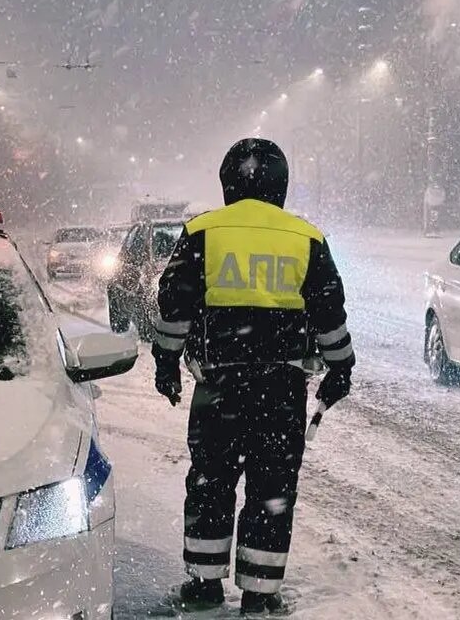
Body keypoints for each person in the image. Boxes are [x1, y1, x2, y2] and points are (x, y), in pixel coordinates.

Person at [152, 138, 355, 616]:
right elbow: (330, 315)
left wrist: (166, 363)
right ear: (281, 185)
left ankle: (202, 587)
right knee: (273, 486)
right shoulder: (306, 238)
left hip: (218, 385)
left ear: (227, 182)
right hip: (281, 390)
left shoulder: (202, 230)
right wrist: (340, 369)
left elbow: (174, 308)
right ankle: (260, 593)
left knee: (211, 479)